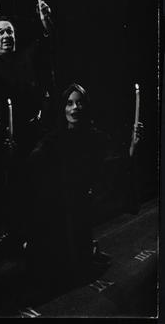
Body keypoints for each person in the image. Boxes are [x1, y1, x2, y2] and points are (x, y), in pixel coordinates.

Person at [26, 83, 144, 295]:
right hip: (56, 209)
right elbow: (33, 166)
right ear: (63, 107)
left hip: (79, 208)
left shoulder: (96, 138)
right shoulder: (53, 139)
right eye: (69, 103)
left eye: (79, 103)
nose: (74, 108)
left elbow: (112, 167)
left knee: (76, 265)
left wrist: (132, 147)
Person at [0, 1, 54, 253]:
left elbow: (46, 47)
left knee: (26, 187)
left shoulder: (24, 59)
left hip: (26, 135)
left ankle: (25, 234)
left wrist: (45, 22)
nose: (6, 35)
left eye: (10, 31)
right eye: (0, 32)